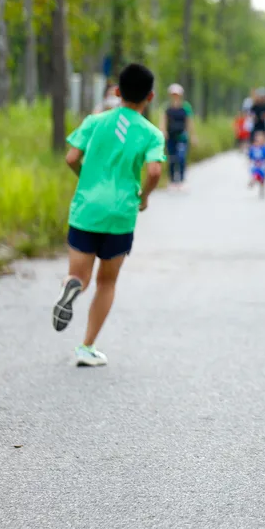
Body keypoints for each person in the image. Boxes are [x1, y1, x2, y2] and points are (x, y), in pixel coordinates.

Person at [51, 63, 165, 367]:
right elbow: (154, 170)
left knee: (80, 275)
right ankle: (86, 347)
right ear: (150, 96)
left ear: (117, 92)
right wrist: (144, 197)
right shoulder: (151, 134)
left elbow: (72, 156)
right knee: (106, 282)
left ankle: (70, 286)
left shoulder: (94, 121)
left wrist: (83, 178)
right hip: (121, 213)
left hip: (87, 208)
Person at [160, 83, 195, 191]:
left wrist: (192, 135)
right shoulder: (167, 108)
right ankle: (172, 180)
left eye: (177, 94)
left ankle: (181, 179)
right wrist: (163, 132)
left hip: (182, 136)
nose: (175, 96)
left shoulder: (186, 107)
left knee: (181, 157)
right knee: (171, 158)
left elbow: (189, 122)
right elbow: (163, 120)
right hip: (171, 136)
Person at [247, 131, 265, 199]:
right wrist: (249, 161)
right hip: (255, 164)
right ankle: (253, 181)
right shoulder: (253, 148)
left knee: (262, 179)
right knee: (256, 174)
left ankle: (262, 190)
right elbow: (250, 156)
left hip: (263, 164)